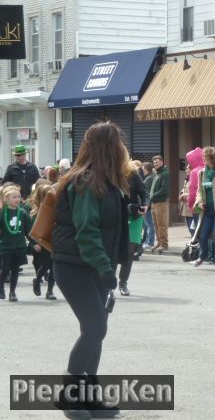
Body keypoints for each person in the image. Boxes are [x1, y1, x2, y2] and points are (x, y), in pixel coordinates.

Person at [51, 121, 129, 419]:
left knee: (96, 329)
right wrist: (106, 269)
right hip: (75, 266)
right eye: (119, 143)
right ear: (110, 147)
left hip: (92, 266)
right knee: (95, 326)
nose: (123, 148)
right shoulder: (85, 181)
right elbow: (87, 232)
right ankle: (70, 394)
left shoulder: (107, 181)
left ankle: (88, 396)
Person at [116, 161, 148, 296]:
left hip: (132, 215)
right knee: (112, 249)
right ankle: (108, 283)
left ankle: (123, 282)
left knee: (129, 251)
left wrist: (145, 205)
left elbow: (144, 193)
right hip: (114, 215)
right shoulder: (105, 171)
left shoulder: (133, 174)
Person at [0, 185, 31, 302]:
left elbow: (29, 231)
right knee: (5, 268)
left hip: (19, 246)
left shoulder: (23, 213)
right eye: (14, 197)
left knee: (15, 269)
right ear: (6, 199)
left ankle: (12, 292)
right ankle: (1, 285)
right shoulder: (2, 213)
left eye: (19, 197)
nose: (17, 199)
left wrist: (35, 243)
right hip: (5, 246)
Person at [29, 181, 57, 300]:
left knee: (54, 268)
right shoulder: (36, 212)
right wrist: (36, 243)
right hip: (43, 242)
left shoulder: (55, 208)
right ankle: (38, 279)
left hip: (54, 241)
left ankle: (50, 291)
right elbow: (32, 231)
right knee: (45, 265)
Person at [149, 155, 170, 252]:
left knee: (162, 224)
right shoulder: (157, 173)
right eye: (154, 162)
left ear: (162, 162)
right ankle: (159, 242)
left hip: (161, 202)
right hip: (154, 203)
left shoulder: (165, 174)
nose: (155, 164)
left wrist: (153, 195)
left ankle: (164, 244)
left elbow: (165, 189)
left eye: (157, 162)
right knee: (156, 224)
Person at [141, 162, 156, 250]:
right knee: (147, 224)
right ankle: (147, 241)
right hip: (148, 204)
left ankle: (150, 242)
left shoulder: (149, 179)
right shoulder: (149, 178)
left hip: (148, 205)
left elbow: (146, 192)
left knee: (149, 224)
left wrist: (146, 203)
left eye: (143, 168)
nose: (142, 170)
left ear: (146, 169)